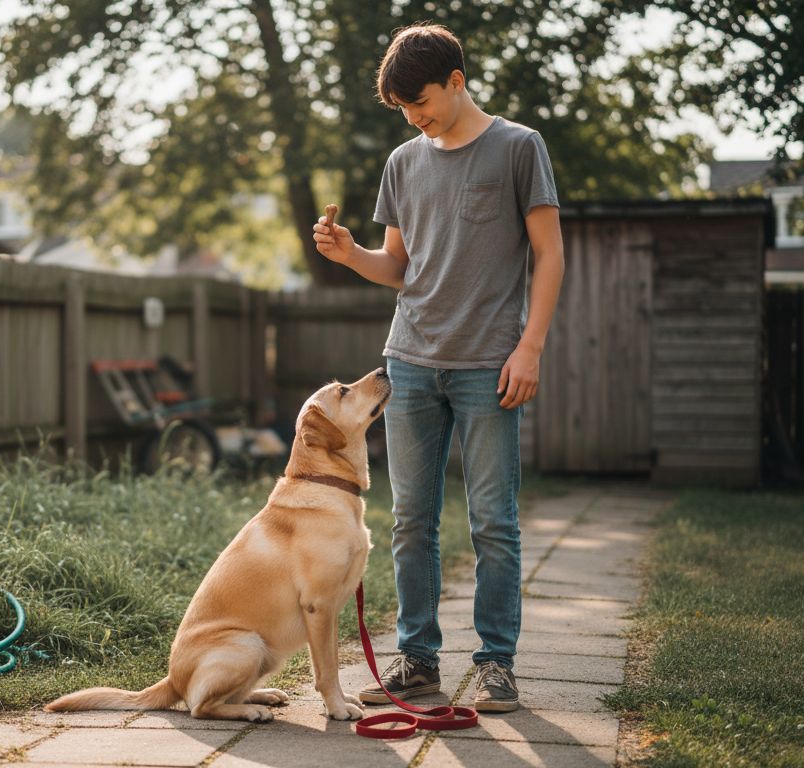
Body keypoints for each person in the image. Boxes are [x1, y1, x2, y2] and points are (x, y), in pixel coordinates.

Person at [312, 22, 564, 714]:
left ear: (456, 80)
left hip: (490, 366)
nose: (413, 117)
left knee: (493, 522)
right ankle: (417, 661)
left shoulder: (519, 148)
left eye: (419, 102)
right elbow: (398, 268)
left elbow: (550, 255)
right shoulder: (404, 161)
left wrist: (531, 346)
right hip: (411, 364)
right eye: (401, 110)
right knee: (410, 521)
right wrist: (350, 254)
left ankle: (496, 665)